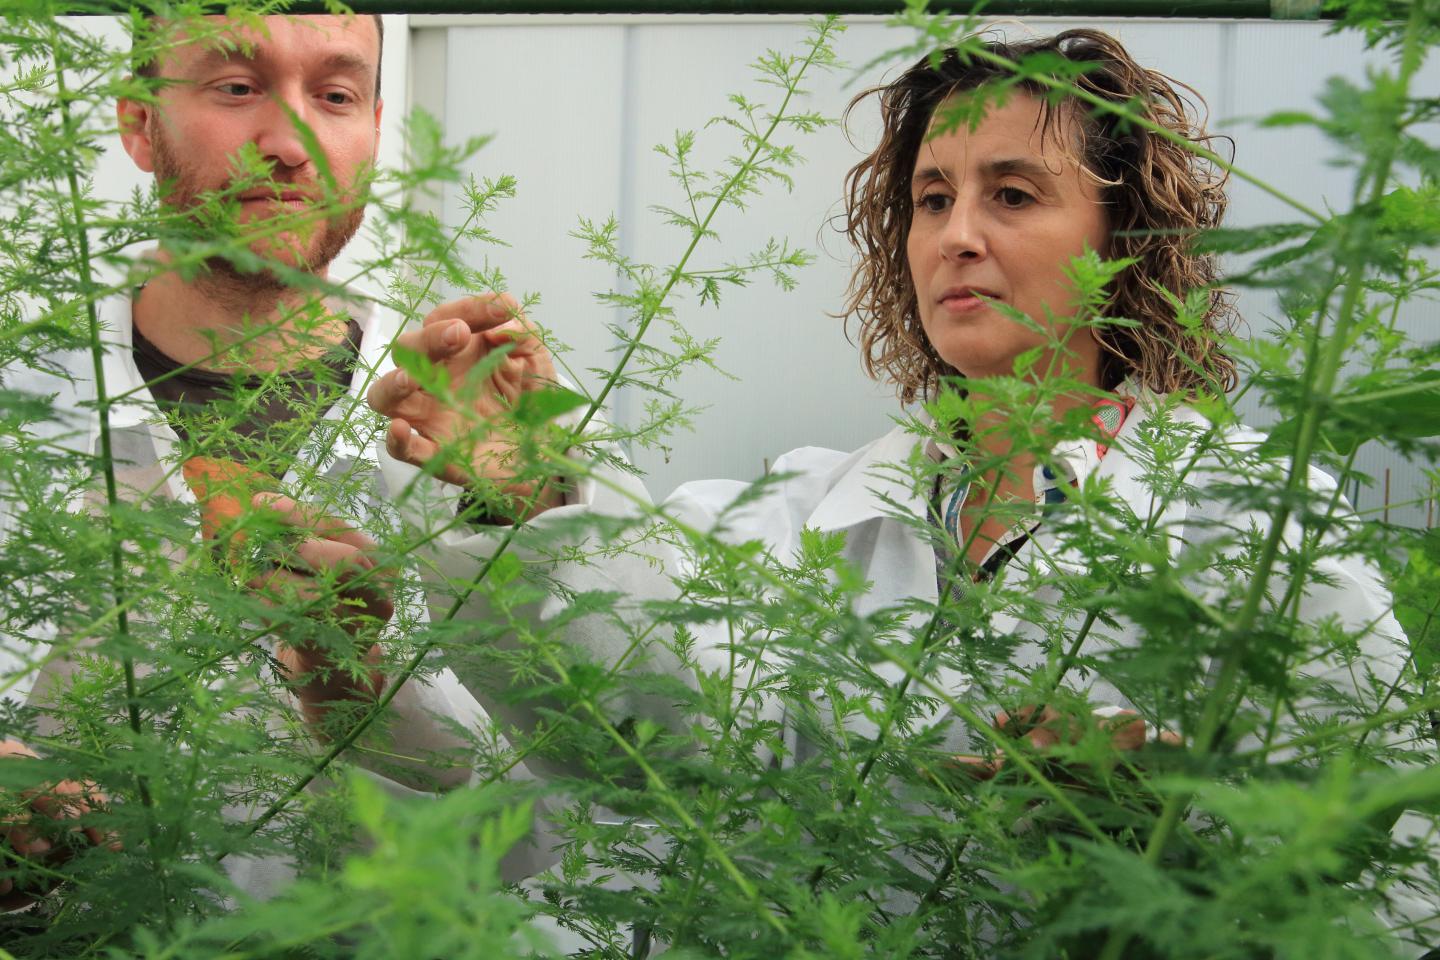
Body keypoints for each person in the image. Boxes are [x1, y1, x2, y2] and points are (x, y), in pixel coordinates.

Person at [367, 25, 1417, 939]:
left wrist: (1178, 831)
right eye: (931, 198)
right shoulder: (798, 513)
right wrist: (529, 492)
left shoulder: (1255, 525)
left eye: (1013, 195)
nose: (956, 236)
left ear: (1125, 239)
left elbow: (1397, 871)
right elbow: (644, 727)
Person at [0, 12, 510, 905]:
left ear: (375, 131)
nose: (289, 145)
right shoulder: (23, 387)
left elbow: (596, 794)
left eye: (335, 95)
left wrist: (355, 685)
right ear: (139, 123)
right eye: (236, 87)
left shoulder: (490, 406)